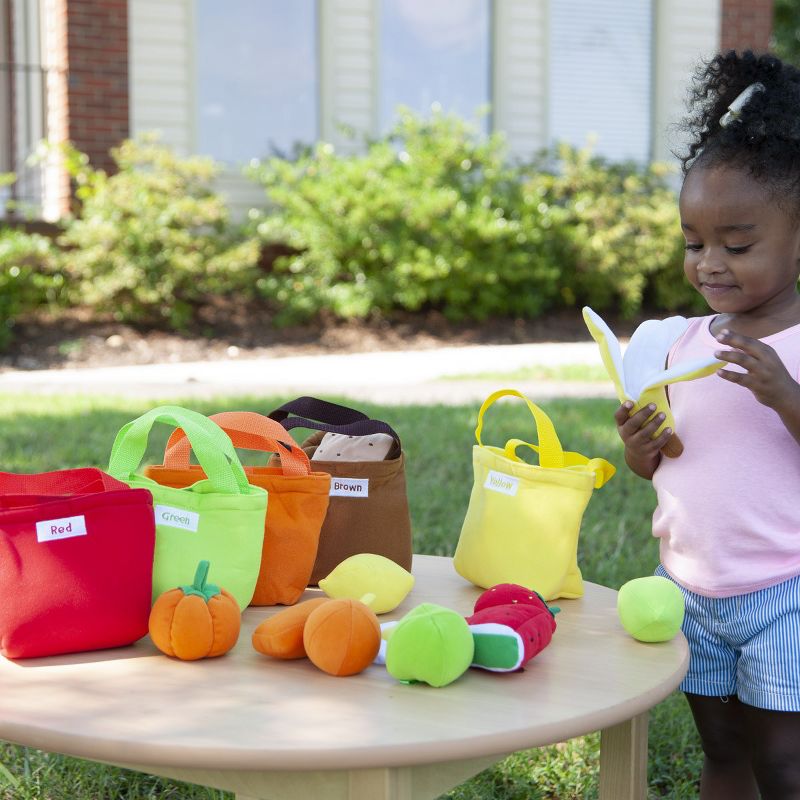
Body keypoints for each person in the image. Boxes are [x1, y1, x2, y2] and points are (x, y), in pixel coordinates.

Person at [614, 50, 800, 800]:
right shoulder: (677, 344)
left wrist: (785, 395)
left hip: (785, 591)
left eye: (738, 244)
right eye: (694, 243)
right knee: (720, 753)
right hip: (689, 587)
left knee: (783, 765)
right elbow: (665, 470)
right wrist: (641, 449)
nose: (710, 263)